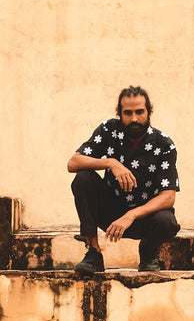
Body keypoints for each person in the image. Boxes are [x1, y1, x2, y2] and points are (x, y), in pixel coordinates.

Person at [67, 86, 180, 275]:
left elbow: (168, 197)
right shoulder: (109, 130)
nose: (134, 118)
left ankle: (148, 253)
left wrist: (131, 215)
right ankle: (93, 253)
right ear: (119, 114)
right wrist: (110, 163)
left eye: (139, 112)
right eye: (127, 113)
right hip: (111, 213)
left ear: (149, 112)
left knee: (166, 220)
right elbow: (73, 163)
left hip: (145, 218)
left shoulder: (164, 145)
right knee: (83, 178)